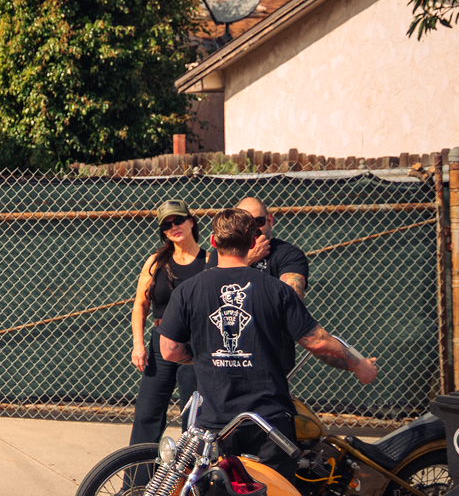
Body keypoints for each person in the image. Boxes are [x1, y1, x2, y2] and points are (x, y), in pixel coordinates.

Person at [159, 209, 379, 474]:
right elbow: (318, 342)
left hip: (215, 422)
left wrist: (204, 352)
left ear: (214, 242)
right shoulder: (277, 290)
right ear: (253, 242)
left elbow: (169, 350)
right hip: (268, 421)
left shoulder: (188, 289)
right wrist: (358, 365)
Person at [129, 200, 208, 448]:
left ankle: (190, 483)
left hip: (195, 345)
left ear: (191, 222)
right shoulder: (156, 261)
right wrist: (138, 345)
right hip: (159, 342)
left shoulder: (209, 261)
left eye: (178, 221)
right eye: (167, 225)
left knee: (194, 418)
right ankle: (136, 483)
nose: (174, 227)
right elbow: (140, 305)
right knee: (146, 414)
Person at [222, 196, 310, 297]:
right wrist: (249, 258)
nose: (253, 228)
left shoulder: (289, 254)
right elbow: (210, 288)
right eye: (245, 223)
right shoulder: (224, 250)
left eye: (259, 221)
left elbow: (292, 299)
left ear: (270, 220)